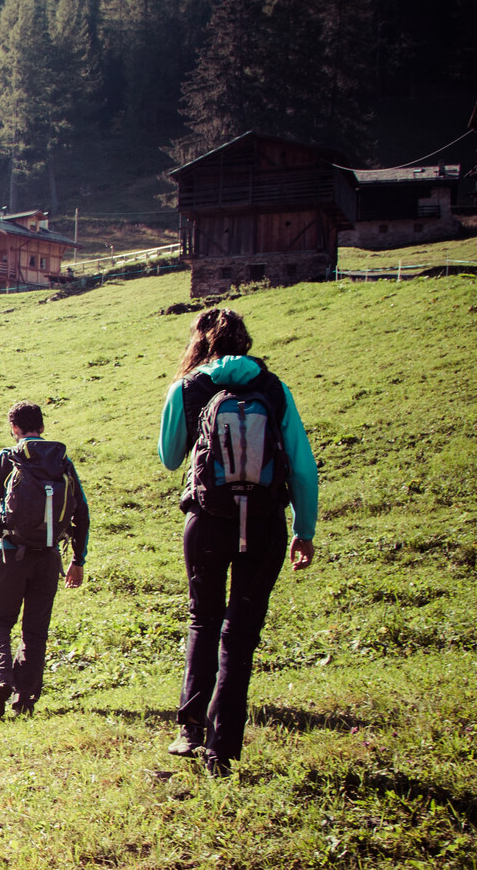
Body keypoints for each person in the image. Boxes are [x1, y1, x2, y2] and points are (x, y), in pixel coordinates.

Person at [157, 308, 318, 776]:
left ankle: (189, 731)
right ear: (244, 341)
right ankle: (222, 749)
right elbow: (304, 468)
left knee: (204, 622)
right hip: (266, 523)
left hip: (208, 521)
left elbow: (170, 459)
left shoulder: (187, 387)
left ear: (201, 343)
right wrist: (304, 531)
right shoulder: (274, 388)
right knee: (240, 635)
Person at [0, 401, 90, 719]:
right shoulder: (62, 462)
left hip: (9, 555)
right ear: (42, 428)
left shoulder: (8, 458)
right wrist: (78, 559)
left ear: (14, 430)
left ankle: (0, 682)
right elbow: (82, 513)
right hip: (48, 557)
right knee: (35, 631)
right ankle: (25, 698)